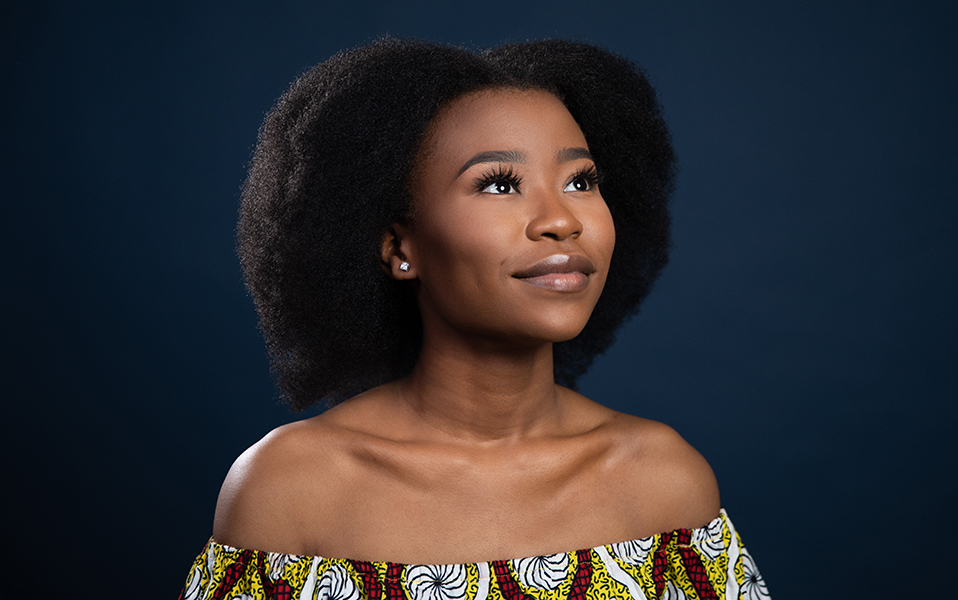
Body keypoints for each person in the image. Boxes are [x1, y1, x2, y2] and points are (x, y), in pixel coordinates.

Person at [180, 37, 770, 600]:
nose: (560, 220)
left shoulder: (663, 480)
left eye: (580, 180)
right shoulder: (290, 487)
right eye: (499, 184)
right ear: (399, 248)